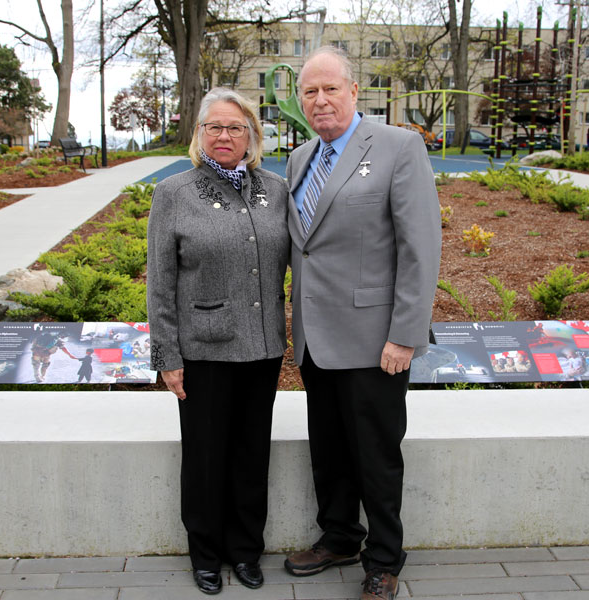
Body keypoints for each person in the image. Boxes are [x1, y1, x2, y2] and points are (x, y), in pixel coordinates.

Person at [283, 46, 442, 600]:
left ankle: (383, 557)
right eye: (310, 91)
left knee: (376, 454)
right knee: (328, 449)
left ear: (354, 92)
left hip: (376, 340)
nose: (320, 99)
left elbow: (419, 246)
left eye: (331, 88)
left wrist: (405, 333)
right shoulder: (301, 157)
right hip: (315, 338)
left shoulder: (399, 147)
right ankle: (340, 537)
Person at [146, 87, 289, 595]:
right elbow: (160, 283)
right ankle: (205, 554)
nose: (224, 136)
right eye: (215, 127)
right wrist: (167, 356)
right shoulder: (175, 193)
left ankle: (246, 551)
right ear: (200, 134)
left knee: (252, 457)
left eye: (235, 127)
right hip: (203, 351)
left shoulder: (276, 188)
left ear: (251, 135)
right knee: (205, 458)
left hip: (264, 348)